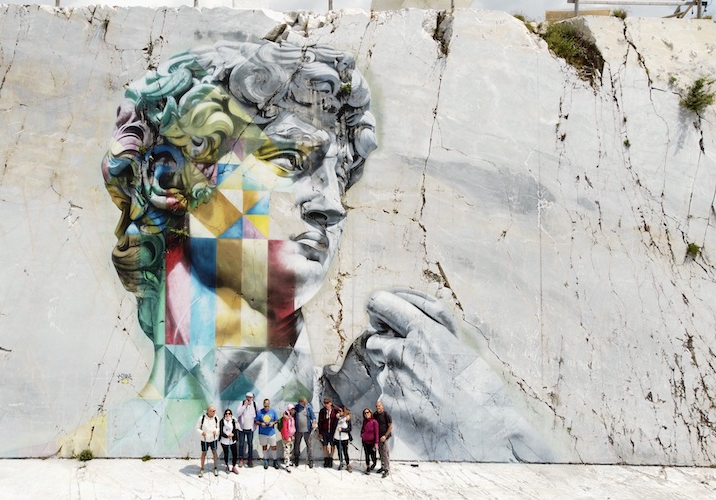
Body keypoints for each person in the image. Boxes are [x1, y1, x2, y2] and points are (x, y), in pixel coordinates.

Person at [102, 40, 553, 463]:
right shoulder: (132, 438)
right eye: (288, 160)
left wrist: (460, 427)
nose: (330, 204)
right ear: (169, 180)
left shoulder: (358, 393)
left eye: (339, 174)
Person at [255, 398, 280, 469]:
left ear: (269, 404)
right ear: (263, 405)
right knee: (264, 446)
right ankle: (266, 460)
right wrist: (260, 423)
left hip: (271, 433)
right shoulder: (260, 412)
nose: (266, 407)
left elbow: (277, 420)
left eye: (268, 405)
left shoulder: (273, 411)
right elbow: (256, 421)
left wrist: (273, 423)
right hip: (262, 433)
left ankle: (275, 460)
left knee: (273, 447)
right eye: (265, 405)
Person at [196, 405, 220, 478]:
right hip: (205, 439)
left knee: (214, 452)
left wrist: (216, 431)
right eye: (212, 411)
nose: (214, 412)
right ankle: (202, 468)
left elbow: (218, 427)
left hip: (213, 438)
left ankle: (215, 468)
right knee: (204, 453)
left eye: (214, 411)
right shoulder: (202, 418)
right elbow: (197, 428)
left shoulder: (216, 418)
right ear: (208, 411)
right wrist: (201, 432)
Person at [293, 396, 316, 468]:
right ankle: (296, 458)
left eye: (305, 402)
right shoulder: (296, 408)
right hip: (298, 430)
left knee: (309, 445)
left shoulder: (308, 407)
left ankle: (310, 460)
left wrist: (314, 422)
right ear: (300, 403)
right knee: (297, 444)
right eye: (304, 403)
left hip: (307, 430)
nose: (305, 403)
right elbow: (290, 414)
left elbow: (313, 417)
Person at [236, 392, 258, 468]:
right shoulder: (241, 403)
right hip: (241, 428)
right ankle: (241, 459)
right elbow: (238, 413)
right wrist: (244, 406)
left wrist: (255, 425)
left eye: (250, 397)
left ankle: (250, 460)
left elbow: (257, 415)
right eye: (247, 397)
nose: (248, 399)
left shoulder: (255, 404)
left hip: (250, 429)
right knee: (241, 444)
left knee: (250, 444)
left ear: (252, 398)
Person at [318, 396, 340, 468]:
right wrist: (320, 432)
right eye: (325, 403)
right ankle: (326, 459)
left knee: (332, 445)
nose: (326, 404)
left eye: (327, 403)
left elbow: (343, 411)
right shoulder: (322, 411)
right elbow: (319, 422)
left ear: (330, 403)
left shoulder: (335, 410)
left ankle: (331, 458)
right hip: (324, 431)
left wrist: (339, 413)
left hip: (332, 431)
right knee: (325, 445)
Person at [373, 401, 392, 478]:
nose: (378, 407)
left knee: (384, 453)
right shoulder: (375, 415)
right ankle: (383, 466)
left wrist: (385, 436)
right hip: (378, 437)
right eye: (377, 406)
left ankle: (387, 469)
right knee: (380, 453)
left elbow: (390, 426)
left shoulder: (386, 414)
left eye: (379, 406)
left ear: (382, 406)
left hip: (384, 437)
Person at [219, 408, 239, 474]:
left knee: (235, 453)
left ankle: (233, 466)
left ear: (231, 414)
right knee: (226, 453)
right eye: (226, 413)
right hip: (224, 440)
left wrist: (232, 434)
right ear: (224, 414)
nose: (228, 415)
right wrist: (227, 436)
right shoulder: (222, 421)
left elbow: (235, 429)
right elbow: (221, 432)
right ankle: (227, 466)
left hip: (232, 440)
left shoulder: (234, 421)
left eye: (229, 413)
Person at [333, 406, 353, 472]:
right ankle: (341, 463)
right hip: (337, 438)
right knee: (339, 452)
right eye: (338, 411)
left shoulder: (347, 418)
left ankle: (348, 464)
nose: (339, 412)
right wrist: (337, 417)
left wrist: (342, 430)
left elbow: (349, 429)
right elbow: (334, 425)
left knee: (345, 452)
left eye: (341, 411)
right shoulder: (337, 418)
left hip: (345, 438)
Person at [360, 407, 379, 474]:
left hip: (372, 442)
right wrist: (362, 435)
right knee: (367, 455)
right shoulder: (364, 421)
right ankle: (368, 467)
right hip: (365, 441)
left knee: (373, 456)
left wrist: (376, 443)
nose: (366, 414)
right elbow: (363, 429)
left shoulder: (374, 422)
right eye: (365, 413)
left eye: (367, 412)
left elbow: (376, 433)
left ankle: (374, 463)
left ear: (370, 413)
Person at [280, 404, 296, 471]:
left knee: (290, 450)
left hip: (292, 436)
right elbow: (284, 428)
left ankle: (288, 461)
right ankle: (287, 465)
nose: (293, 410)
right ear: (289, 410)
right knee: (287, 451)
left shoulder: (291, 416)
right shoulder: (285, 418)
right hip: (287, 437)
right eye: (292, 409)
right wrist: (287, 437)